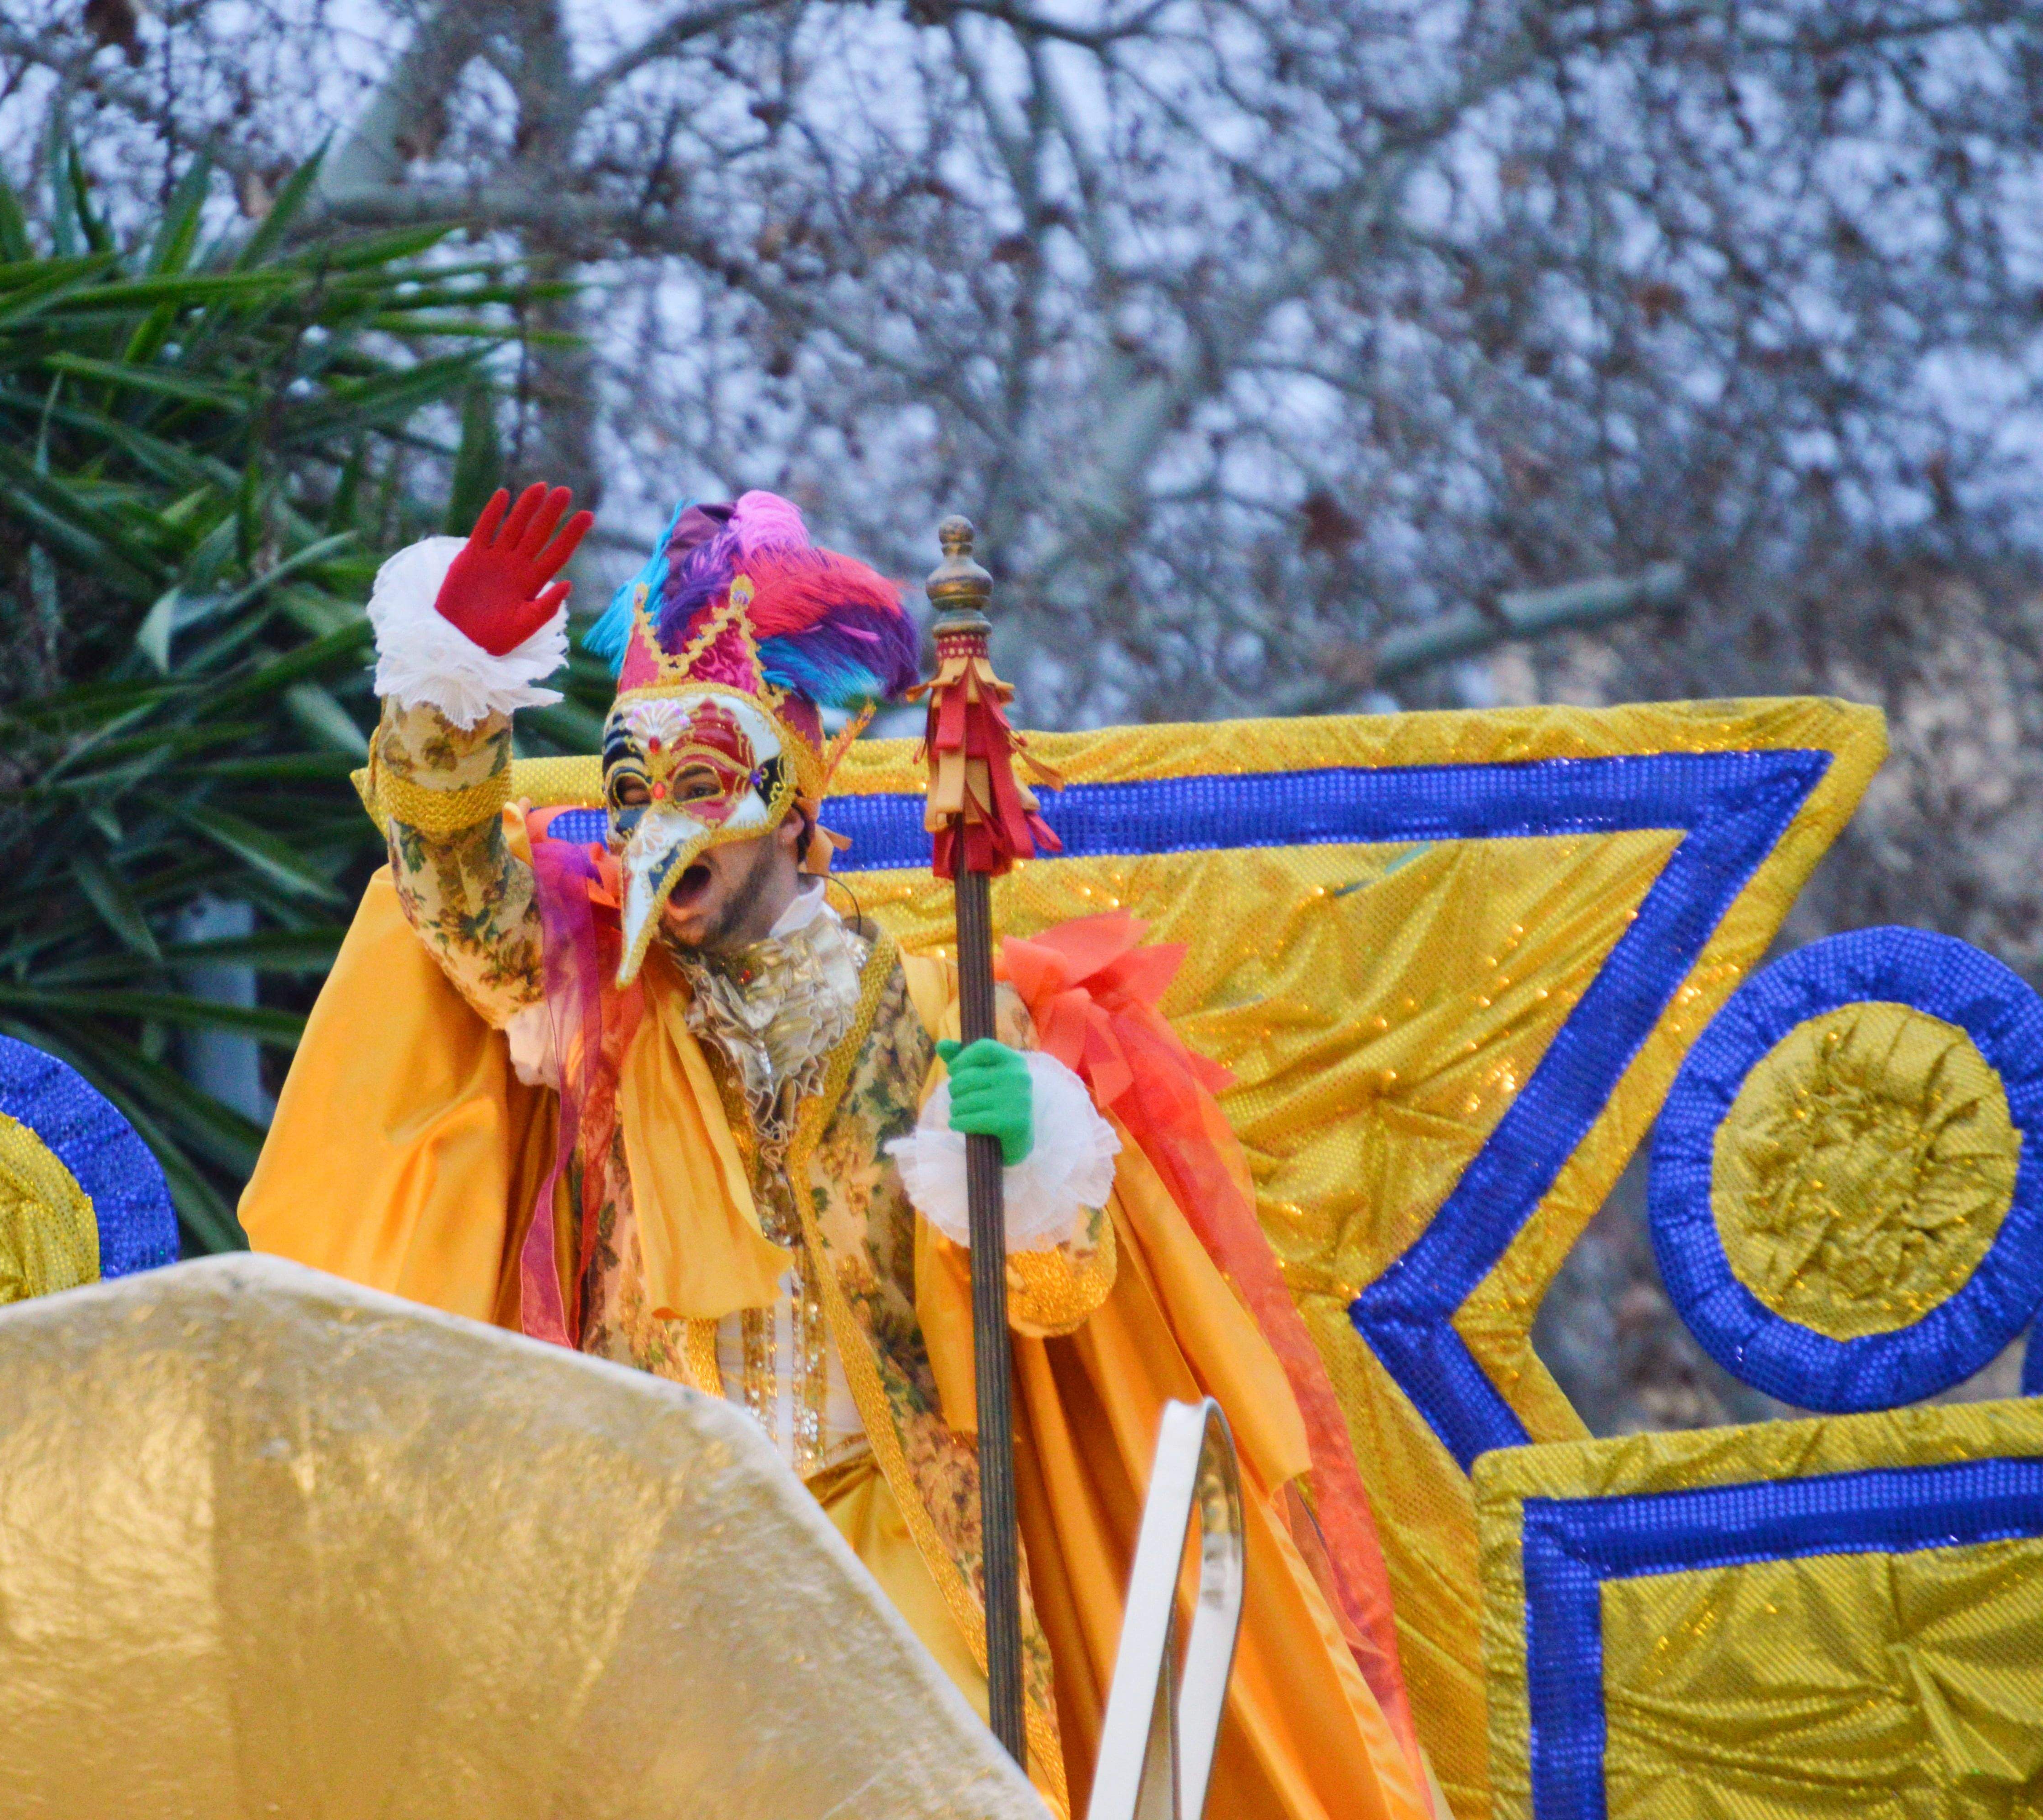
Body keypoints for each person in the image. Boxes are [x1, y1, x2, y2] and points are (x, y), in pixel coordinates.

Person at [243, 485, 1434, 1820]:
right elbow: (462, 913)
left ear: (798, 806)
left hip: (897, 1552)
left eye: (700, 786)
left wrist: (1033, 1170)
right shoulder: (600, 997)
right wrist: (449, 703)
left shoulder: (949, 1014)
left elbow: (1052, 1304)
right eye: (633, 788)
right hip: (659, 1563)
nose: (655, 828)